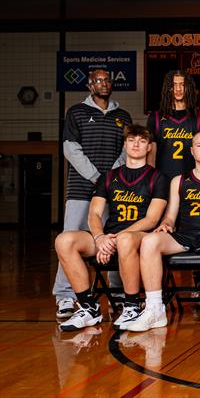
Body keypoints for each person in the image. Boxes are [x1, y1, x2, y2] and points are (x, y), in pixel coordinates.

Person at [126, 131, 200, 332]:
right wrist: (166, 224)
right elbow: (171, 216)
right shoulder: (179, 180)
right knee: (149, 241)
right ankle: (155, 309)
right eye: (199, 145)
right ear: (191, 151)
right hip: (185, 234)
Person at [55, 125, 168, 331]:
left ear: (149, 147)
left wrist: (114, 239)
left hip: (139, 237)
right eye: (131, 140)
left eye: (142, 141)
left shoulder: (158, 177)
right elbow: (94, 214)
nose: (136, 145)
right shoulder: (108, 176)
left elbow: (152, 219)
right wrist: (100, 238)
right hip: (108, 237)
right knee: (64, 240)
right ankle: (89, 307)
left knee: (125, 240)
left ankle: (131, 306)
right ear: (124, 145)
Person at [56, 68, 132, 319]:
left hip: (112, 192)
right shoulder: (76, 112)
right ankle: (66, 295)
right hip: (81, 190)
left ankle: (118, 292)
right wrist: (97, 178)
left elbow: (126, 151)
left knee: (114, 239)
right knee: (68, 242)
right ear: (90, 85)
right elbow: (70, 149)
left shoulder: (123, 116)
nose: (103, 84)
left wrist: (109, 180)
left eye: (107, 80)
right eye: (98, 80)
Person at [147, 70, 200, 179]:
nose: (178, 89)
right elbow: (151, 156)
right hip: (163, 180)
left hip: (193, 181)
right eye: (174, 85)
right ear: (168, 88)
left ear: (189, 88)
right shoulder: (156, 117)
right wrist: (151, 181)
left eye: (182, 85)